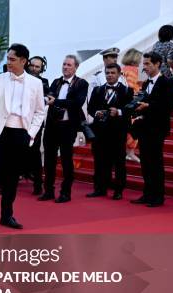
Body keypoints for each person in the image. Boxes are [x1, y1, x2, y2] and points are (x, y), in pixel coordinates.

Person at [0, 43, 45, 231]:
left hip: (20, 134)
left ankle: (7, 215)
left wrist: (30, 134)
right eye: (8, 58)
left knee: (12, 178)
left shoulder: (36, 84)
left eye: (12, 59)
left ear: (24, 61)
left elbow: (40, 112)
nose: (8, 62)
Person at [39, 55, 88, 203]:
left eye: (69, 65)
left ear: (76, 67)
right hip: (52, 125)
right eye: (64, 64)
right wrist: (45, 100)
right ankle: (48, 190)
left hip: (68, 126)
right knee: (49, 159)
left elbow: (77, 103)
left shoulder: (81, 83)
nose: (65, 67)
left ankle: (65, 192)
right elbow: (50, 96)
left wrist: (57, 101)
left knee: (66, 159)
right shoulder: (56, 82)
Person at [130, 52, 173, 207]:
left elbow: (168, 107)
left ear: (157, 64)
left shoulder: (167, 82)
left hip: (158, 128)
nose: (145, 67)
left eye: (148, 63)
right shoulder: (145, 84)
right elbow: (141, 104)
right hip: (144, 128)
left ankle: (158, 196)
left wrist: (148, 106)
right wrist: (136, 110)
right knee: (146, 163)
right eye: (144, 64)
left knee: (156, 162)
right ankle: (147, 193)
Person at [86, 63, 133, 200]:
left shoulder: (127, 91)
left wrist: (118, 112)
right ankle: (100, 188)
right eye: (107, 73)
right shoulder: (98, 90)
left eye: (113, 73)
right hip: (100, 132)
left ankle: (118, 190)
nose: (110, 75)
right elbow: (90, 108)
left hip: (118, 132)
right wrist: (96, 113)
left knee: (119, 162)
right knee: (100, 161)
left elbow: (130, 110)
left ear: (119, 74)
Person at [25, 55, 50, 195]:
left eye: (37, 67)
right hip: (19, 120)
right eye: (32, 65)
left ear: (42, 69)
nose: (34, 68)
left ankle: (38, 185)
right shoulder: (21, 78)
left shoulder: (44, 82)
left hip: (36, 122)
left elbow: (48, 97)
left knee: (35, 153)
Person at [121, 48, 143, 163]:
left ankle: (127, 152)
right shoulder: (133, 70)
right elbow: (130, 87)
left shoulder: (123, 69)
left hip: (123, 104)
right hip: (131, 105)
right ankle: (130, 153)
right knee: (134, 129)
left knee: (126, 129)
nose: (141, 61)